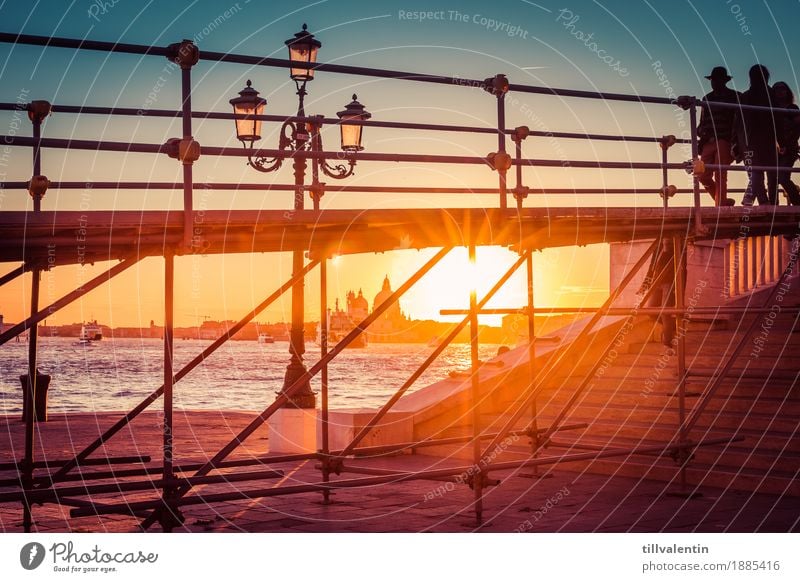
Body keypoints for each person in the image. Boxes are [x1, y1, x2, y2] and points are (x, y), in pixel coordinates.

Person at [696, 67, 740, 206]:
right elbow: (703, 121)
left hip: (725, 140)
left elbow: (738, 120)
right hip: (708, 140)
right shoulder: (707, 98)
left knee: (720, 174)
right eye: (713, 80)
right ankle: (721, 200)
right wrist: (701, 134)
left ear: (724, 81)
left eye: (717, 80)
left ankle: (720, 204)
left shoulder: (735, 97)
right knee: (702, 175)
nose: (715, 82)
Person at [738, 65, 779, 206]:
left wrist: (736, 142)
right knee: (771, 173)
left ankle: (763, 201)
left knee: (755, 172)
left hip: (748, 139)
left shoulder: (745, 96)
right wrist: (782, 141)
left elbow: (738, 121)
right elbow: (778, 119)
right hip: (767, 138)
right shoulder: (772, 94)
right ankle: (772, 202)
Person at [767, 82, 800, 205]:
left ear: (787, 91)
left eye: (782, 88)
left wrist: (788, 144)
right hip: (773, 149)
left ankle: (797, 202)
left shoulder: (792, 108)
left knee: (782, 177)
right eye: (776, 89)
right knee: (772, 178)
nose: (780, 91)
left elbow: (798, 128)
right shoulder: (770, 110)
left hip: (789, 148)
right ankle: (773, 205)